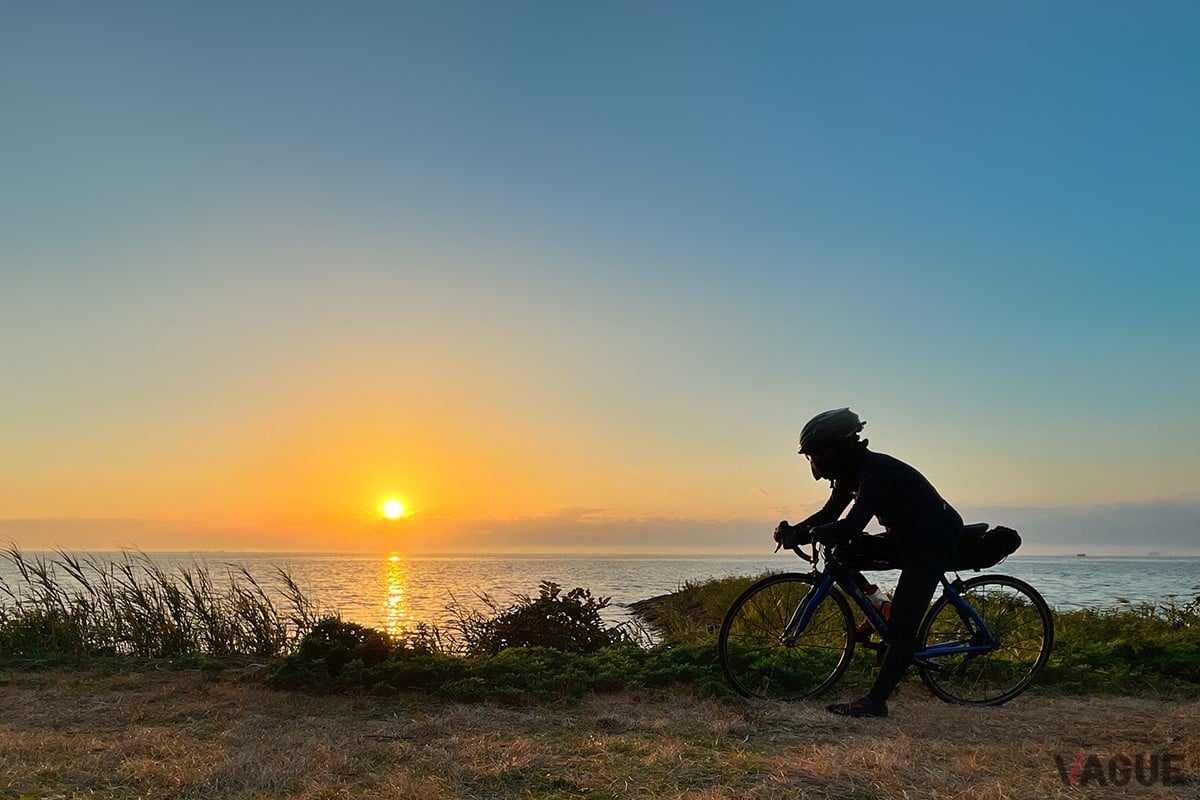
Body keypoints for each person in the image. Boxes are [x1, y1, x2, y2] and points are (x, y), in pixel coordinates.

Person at [773, 408, 963, 718]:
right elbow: (828, 515)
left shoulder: (875, 472)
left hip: (932, 541)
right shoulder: (851, 472)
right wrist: (796, 531)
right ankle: (878, 605)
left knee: (903, 628)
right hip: (905, 536)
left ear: (833, 450)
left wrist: (808, 534)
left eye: (815, 456)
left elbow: (851, 525)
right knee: (846, 555)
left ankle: (876, 702)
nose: (814, 464)